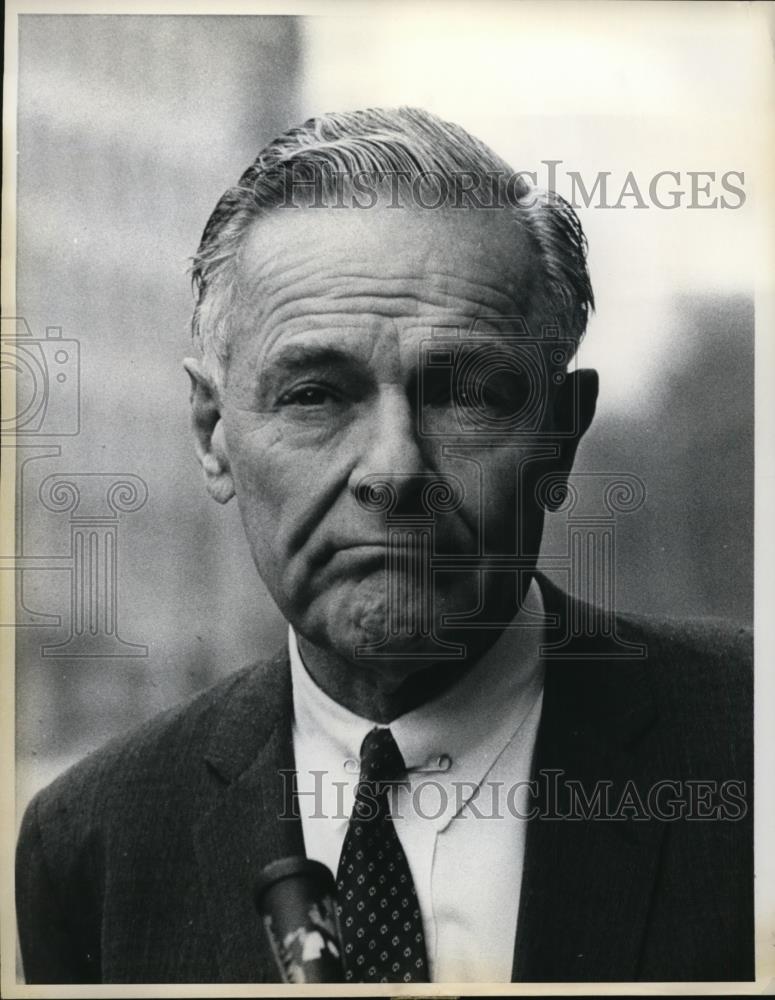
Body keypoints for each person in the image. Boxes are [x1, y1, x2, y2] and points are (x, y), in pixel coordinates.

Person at [15, 107, 753, 985]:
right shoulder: (91, 844)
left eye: (464, 395)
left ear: (559, 434)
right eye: (317, 395)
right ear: (214, 434)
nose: (394, 470)